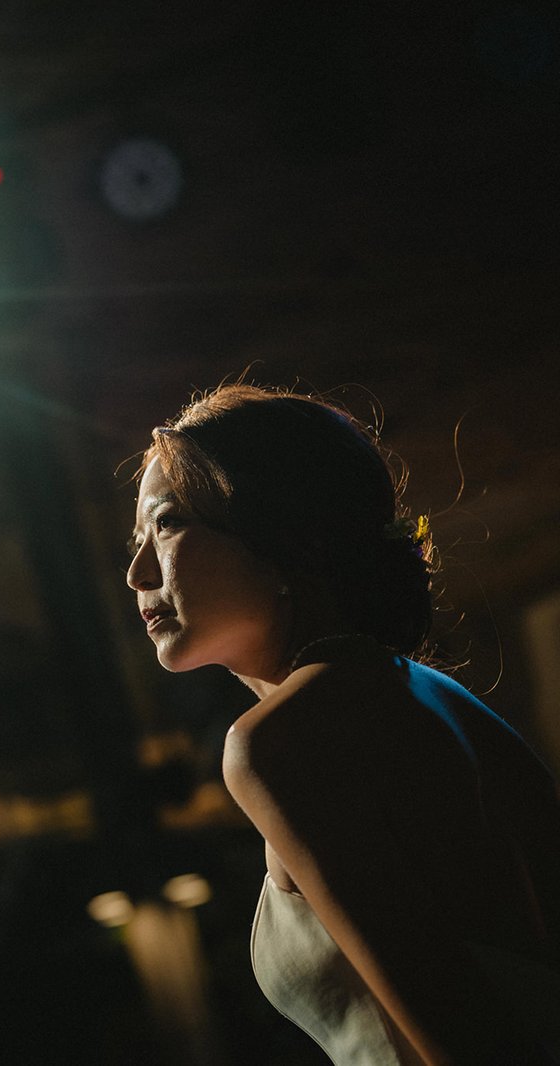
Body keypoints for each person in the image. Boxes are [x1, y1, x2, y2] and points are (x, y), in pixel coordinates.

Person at [123, 383, 560, 1064]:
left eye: (169, 523)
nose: (136, 572)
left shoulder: (281, 743)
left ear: (281, 537)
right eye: (137, 539)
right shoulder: (423, 694)